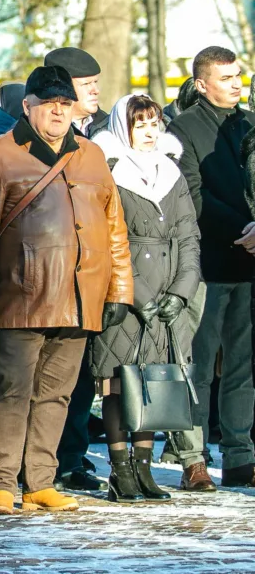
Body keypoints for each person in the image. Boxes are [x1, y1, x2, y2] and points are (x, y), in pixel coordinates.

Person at [0, 65, 133, 515]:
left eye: (64, 105)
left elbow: (114, 227)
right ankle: (1, 482)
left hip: (80, 297)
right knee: (11, 391)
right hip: (23, 296)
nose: (58, 113)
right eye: (48, 105)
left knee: (58, 394)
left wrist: (119, 290)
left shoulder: (92, 156)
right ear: (27, 106)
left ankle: (39, 480)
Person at [87, 95, 203, 501]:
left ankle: (143, 468)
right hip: (124, 293)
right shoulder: (109, 172)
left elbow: (189, 235)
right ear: (125, 129)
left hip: (169, 292)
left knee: (155, 382)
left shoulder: (172, 172)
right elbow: (104, 237)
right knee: (119, 383)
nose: (150, 132)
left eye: (154, 123)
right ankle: (120, 471)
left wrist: (181, 291)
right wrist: (137, 292)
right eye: (141, 125)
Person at [167, 46, 255, 487]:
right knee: (197, 367)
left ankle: (241, 457)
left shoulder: (250, 123)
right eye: (226, 78)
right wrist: (248, 226)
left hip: (250, 267)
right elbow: (193, 195)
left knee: (244, 367)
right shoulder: (182, 128)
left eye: (239, 75)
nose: (237, 84)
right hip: (205, 266)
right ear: (202, 84)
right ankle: (193, 459)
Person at [45, 47, 114, 492]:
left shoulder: (111, 130)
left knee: (84, 376)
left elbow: (114, 217)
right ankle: (41, 463)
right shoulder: (29, 130)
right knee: (42, 380)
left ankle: (71, 457)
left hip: (90, 273)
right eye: (86, 85)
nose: (95, 91)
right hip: (45, 274)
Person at [45, 47, 108, 137]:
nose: (96, 91)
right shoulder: (39, 131)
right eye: (86, 84)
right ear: (62, 88)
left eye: (95, 82)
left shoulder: (112, 127)